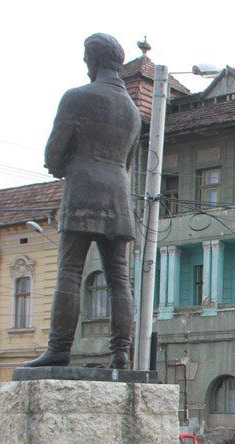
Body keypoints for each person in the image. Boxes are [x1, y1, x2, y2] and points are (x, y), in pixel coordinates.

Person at [25, 33, 142, 369]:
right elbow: (129, 161)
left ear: (91, 59)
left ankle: (59, 349)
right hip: (119, 194)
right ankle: (121, 353)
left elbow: (54, 153)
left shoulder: (77, 97)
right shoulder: (132, 110)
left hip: (83, 191)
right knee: (119, 277)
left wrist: (63, 166)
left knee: (70, 272)